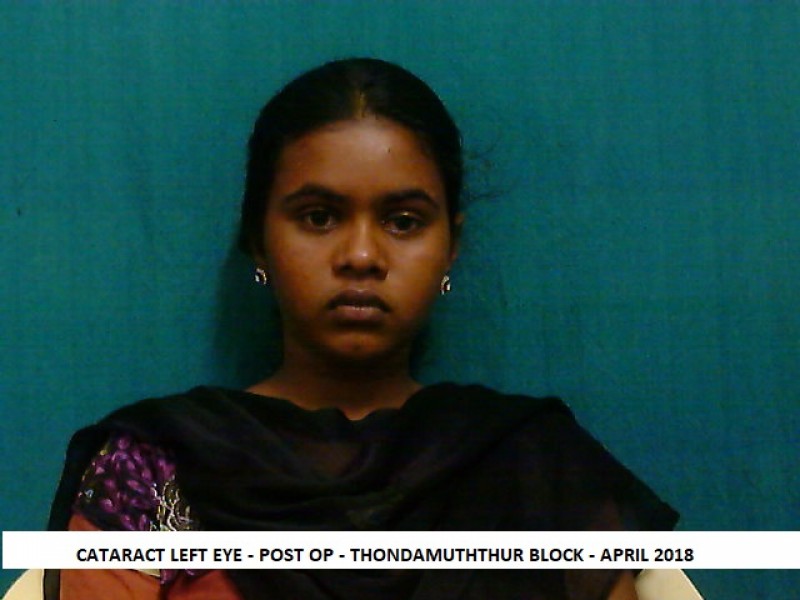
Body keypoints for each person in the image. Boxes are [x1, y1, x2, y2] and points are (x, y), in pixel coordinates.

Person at [45, 58, 678, 600]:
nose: (362, 256)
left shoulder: (537, 466)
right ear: (258, 240)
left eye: (403, 222)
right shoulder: (154, 467)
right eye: (319, 217)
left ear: (451, 247)